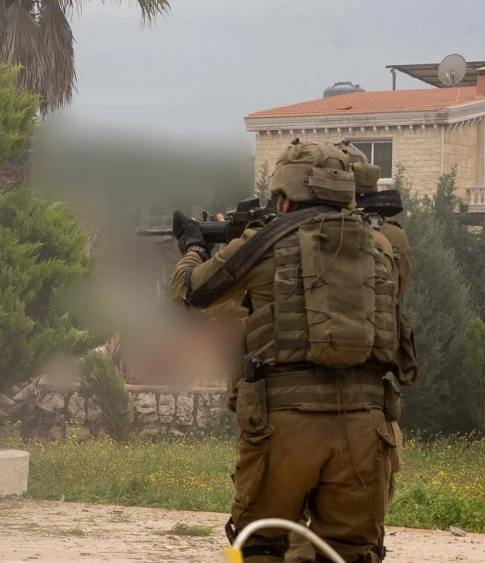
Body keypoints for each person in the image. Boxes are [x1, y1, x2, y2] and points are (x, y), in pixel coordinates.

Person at [169, 140, 411, 563]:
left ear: (283, 199)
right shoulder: (383, 248)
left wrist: (193, 249)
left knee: (262, 545)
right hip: (367, 427)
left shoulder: (265, 243)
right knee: (352, 552)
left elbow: (190, 292)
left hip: (286, 426)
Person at [284, 141, 415, 562]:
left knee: (307, 534)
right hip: (365, 406)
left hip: (309, 405)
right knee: (354, 529)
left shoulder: (371, 238)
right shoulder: (386, 237)